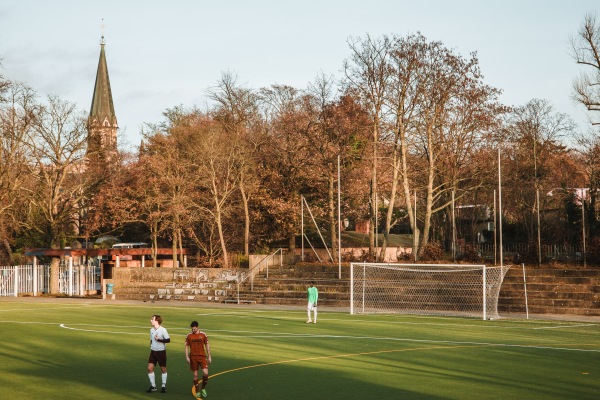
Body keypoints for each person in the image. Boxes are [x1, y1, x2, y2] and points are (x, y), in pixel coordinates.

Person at [185, 320, 212, 398]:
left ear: (197, 327)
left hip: (202, 356)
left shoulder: (203, 335)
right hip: (193, 357)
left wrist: (209, 356)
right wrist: (187, 356)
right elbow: (186, 347)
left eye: (194, 329)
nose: (193, 330)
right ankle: (197, 390)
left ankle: (203, 388)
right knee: (195, 374)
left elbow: (207, 345)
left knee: (206, 373)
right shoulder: (189, 336)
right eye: (192, 329)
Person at [147, 314, 171, 393]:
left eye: (152, 319)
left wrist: (159, 340)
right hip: (153, 352)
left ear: (157, 321)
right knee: (150, 368)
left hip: (161, 352)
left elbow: (168, 340)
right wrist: (152, 346)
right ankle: (153, 386)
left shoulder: (163, 330)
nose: (151, 320)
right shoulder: (151, 330)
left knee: (163, 369)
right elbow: (151, 340)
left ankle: (163, 385)